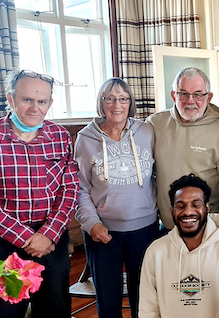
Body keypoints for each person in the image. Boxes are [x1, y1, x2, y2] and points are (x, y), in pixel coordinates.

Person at [0, 69, 78, 317]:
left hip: (52, 240)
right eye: (27, 100)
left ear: (49, 103)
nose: (35, 108)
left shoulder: (60, 136)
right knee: (4, 314)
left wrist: (47, 235)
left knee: (54, 311)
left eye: (42, 101)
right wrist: (26, 238)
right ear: (10, 99)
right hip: (3, 243)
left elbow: (69, 189)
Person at [75, 78, 159, 318]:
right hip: (102, 232)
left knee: (143, 298)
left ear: (130, 102)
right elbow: (79, 188)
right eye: (109, 98)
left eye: (123, 98)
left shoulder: (146, 131)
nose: (117, 104)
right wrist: (91, 224)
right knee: (107, 298)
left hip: (145, 228)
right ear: (101, 103)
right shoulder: (85, 139)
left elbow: (158, 174)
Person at [147, 67, 219, 233]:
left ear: (208, 97)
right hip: (167, 227)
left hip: (208, 229)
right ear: (173, 95)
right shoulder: (155, 124)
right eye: (183, 93)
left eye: (198, 94)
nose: (190, 100)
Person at [139, 174, 219, 318]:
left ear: (207, 208)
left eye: (196, 205)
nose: (188, 212)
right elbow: (148, 310)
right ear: (172, 211)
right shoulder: (156, 252)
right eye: (180, 206)